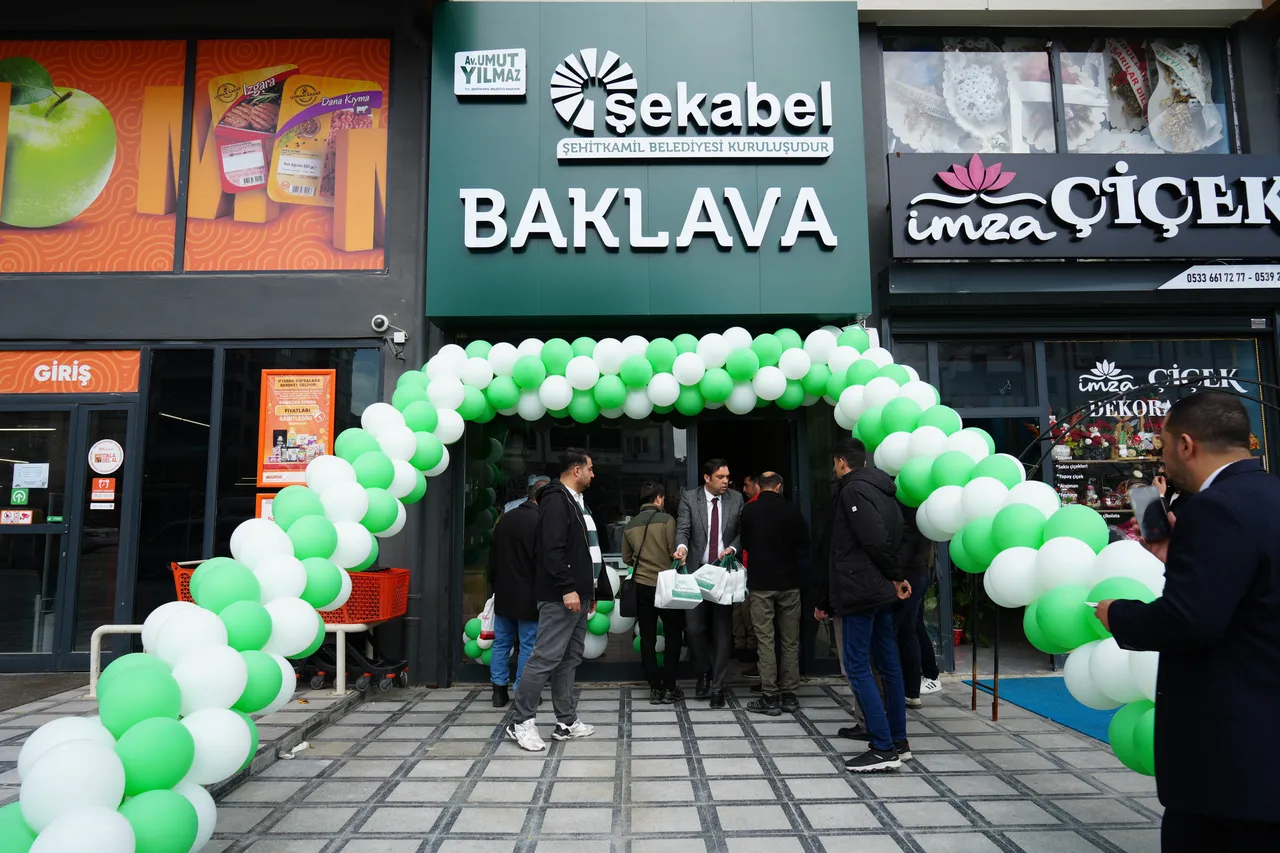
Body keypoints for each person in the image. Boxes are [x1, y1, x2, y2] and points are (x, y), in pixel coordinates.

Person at [1097, 393, 1280, 851]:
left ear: (1185, 444)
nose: (1162, 458)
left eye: (1161, 446)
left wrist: (1117, 613)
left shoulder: (1213, 509)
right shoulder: (1269, 495)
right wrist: (1177, 560)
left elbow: (1191, 621)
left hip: (1230, 757)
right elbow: (1248, 593)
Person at [815, 437, 911, 772]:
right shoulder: (883, 489)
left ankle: (883, 747)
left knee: (857, 666)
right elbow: (899, 534)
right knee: (888, 665)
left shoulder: (853, 491)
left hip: (861, 590)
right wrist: (895, 577)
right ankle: (898, 740)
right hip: (879, 589)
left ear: (841, 462)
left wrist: (894, 575)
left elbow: (873, 539)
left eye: (834, 464)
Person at [505, 449, 603, 752]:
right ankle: (520, 722)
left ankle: (566, 722)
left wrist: (590, 592)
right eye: (590, 468)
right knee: (544, 658)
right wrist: (567, 588)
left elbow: (584, 551)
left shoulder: (574, 501)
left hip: (578, 595)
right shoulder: (557, 500)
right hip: (562, 596)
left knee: (569, 658)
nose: (593, 474)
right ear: (576, 470)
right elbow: (552, 550)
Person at [675, 458, 743, 709]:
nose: (726, 481)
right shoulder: (689, 498)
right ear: (707, 478)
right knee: (694, 630)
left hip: (723, 574)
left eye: (728, 477)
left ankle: (718, 686)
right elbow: (683, 529)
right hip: (696, 573)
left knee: (723, 632)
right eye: (721, 477)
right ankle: (703, 672)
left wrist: (733, 548)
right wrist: (680, 547)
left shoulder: (736, 499)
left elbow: (741, 532)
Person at [739, 472, 809, 716]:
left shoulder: (750, 510)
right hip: (789, 583)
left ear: (759, 487)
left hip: (761, 584)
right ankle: (789, 695)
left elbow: (745, 543)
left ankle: (769, 696)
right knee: (790, 641)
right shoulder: (791, 509)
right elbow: (804, 543)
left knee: (765, 641)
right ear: (779, 486)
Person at [622, 481, 684, 704]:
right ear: (658, 499)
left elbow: (626, 559)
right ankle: (670, 687)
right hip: (665, 585)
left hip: (642, 585)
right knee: (673, 634)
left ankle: (654, 688)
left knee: (647, 637)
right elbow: (672, 551)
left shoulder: (630, 526)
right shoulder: (667, 520)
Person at [488, 481, 541, 707]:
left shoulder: (505, 519)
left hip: (504, 591)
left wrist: (494, 584)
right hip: (529, 594)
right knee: (528, 645)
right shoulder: (541, 521)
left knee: (501, 643)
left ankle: (498, 692)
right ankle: (523, 691)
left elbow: (492, 558)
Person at [894, 503, 941, 708]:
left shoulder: (906, 508)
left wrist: (896, 575)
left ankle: (912, 687)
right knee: (910, 629)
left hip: (909, 574)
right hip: (918, 571)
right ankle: (912, 689)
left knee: (902, 631)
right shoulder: (921, 508)